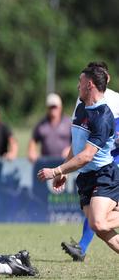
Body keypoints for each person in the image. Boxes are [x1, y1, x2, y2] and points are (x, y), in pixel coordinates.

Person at [38, 63, 119, 257]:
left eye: (80, 82)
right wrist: (65, 171)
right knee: (99, 226)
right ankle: (82, 247)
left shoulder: (106, 112)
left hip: (106, 170)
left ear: (90, 83)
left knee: (98, 222)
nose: (77, 86)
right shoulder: (81, 104)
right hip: (85, 175)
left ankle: (81, 247)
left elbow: (87, 155)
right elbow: (78, 143)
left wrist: (57, 171)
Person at [27, 93, 71, 163]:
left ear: (60, 107)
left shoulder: (69, 123)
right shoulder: (41, 124)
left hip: (65, 163)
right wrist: (32, 151)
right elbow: (33, 140)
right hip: (46, 164)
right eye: (50, 107)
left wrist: (70, 150)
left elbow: (77, 141)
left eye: (55, 107)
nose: (53, 109)